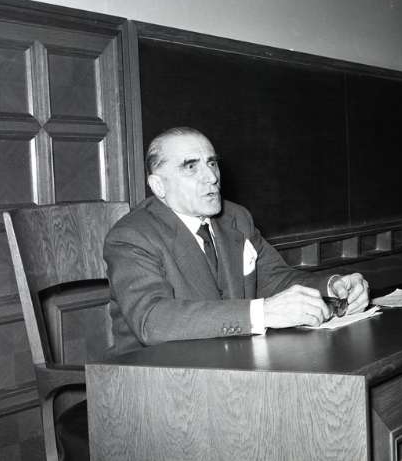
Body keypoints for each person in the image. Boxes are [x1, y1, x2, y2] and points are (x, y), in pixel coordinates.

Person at [104, 127, 369, 354]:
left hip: (234, 362)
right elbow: (153, 321)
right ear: (159, 186)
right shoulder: (132, 235)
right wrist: (262, 313)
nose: (212, 177)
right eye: (191, 167)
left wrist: (332, 287)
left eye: (211, 163)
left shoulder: (236, 218)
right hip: (155, 376)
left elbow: (275, 279)